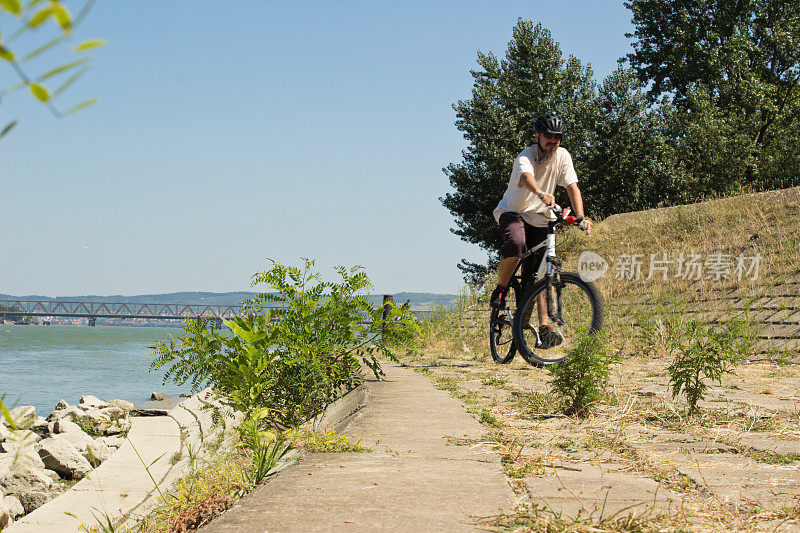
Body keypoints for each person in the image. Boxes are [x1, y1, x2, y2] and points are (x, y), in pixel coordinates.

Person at [489, 112, 592, 347]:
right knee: (515, 245)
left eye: (557, 137)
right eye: (548, 136)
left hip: (542, 219)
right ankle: (502, 289)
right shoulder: (525, 157)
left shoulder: (562, 156)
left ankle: (545, 328)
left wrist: (581, 217)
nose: (552, 141)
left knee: (544, 274)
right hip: (514, 213)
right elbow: (526, 177)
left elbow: (572, 187)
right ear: (537, 135)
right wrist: (540, 193)